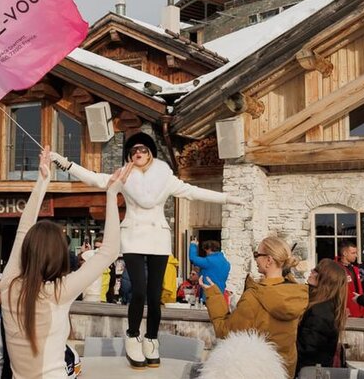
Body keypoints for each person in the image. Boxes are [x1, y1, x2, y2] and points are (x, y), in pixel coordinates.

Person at [51, 131, 243, 368]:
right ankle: (133, 336)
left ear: (150, 153)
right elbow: (94, 178)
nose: (138, 153)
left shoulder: (165, 178)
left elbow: (194, 192)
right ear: (129, 156)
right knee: (139, 290)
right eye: (134, 150)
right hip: (132, 237)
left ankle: (151, 339)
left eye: (143, 149)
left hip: (158, 239)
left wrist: (227, 198)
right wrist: (65, 163)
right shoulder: (124, 175)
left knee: (154, 294)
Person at [2, 146, 126, 378]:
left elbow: (23, 230)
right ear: (59, 255)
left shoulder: (8, 284)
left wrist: (42, 181)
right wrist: (111, 195)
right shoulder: (57, 292)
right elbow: (109, 252)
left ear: (27, 250)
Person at [202, 236, 308, 378]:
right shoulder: (295, 294)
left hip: (255, 372)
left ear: (269, 260)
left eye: (257, 254)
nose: (255, 259)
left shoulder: (255, 297)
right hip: (284, 370)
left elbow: (226, 332)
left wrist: (213, 295)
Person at [296, 259, 348, 375]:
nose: (311, 271)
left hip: (308, 372)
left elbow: (307, 349)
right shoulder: (324, 305)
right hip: (314, 370)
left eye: (316, 271)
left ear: (324, 279)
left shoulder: (320, 311)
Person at [189, 239, 231, 303]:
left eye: (206, 251)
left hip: (209, 295)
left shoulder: (209, 261)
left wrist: (193, 245)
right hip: (220, 294)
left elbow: (193, 258)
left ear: (209, 249)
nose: (206, 253)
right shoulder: (226, 263)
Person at [335, 240, 364, 318]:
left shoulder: (355, 269)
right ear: (345, 253)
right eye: (353, 253)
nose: (356, 255)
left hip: (359, 311)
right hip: (345, 312)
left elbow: (360, 290)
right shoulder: (336, 269)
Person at [81, 234, 110, 302]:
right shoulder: (92, 259)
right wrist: (87, 253)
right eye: (96, 247)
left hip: (101, 298)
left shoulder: (108, 263)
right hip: (90, 297)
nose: (97, 250)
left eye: (100, 248)